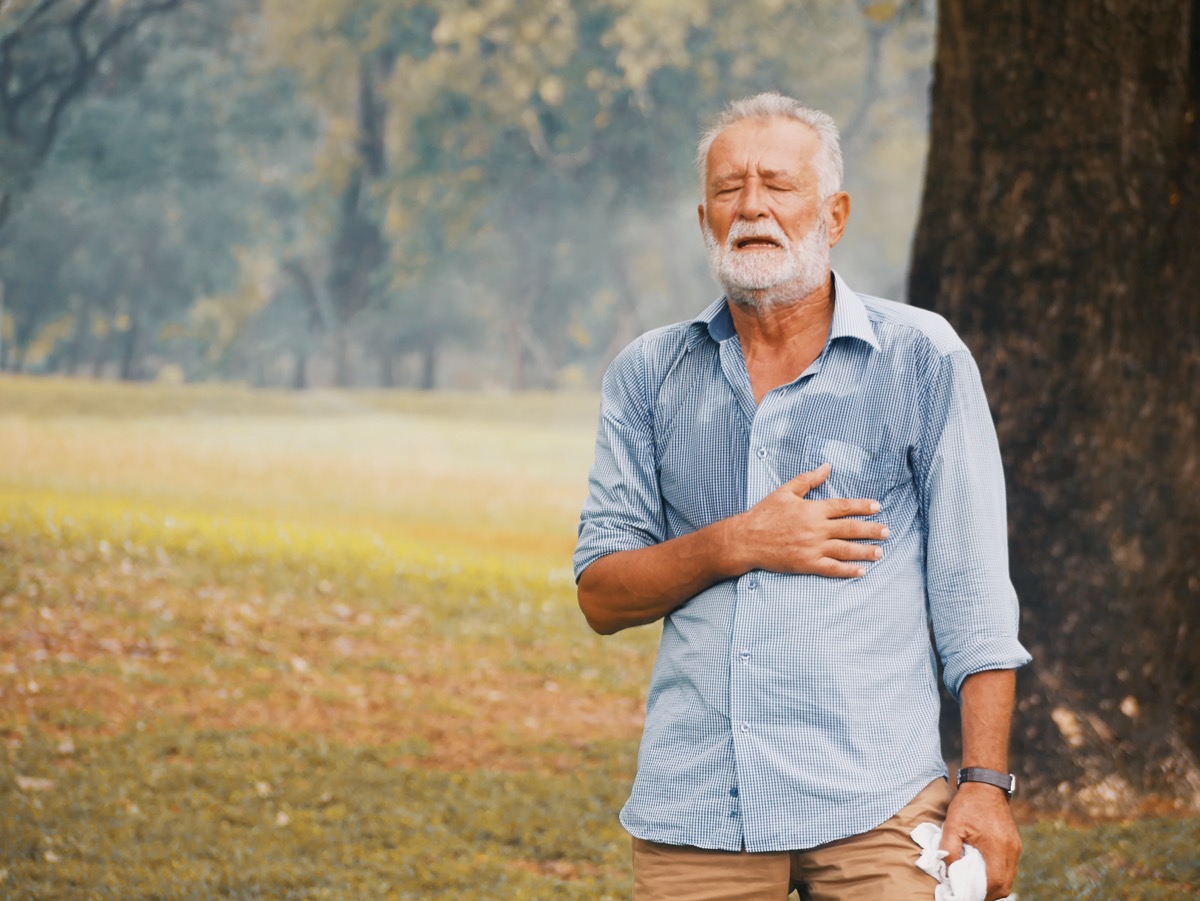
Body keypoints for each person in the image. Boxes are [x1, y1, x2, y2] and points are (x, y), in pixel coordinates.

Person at [573, 92, 1032, 901]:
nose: (752, 205)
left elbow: (974, 596)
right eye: (729, 188)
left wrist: (986, 783)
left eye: (778, 185)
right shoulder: (648, 374)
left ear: (835, 213)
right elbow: (602, 595)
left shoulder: (921, 358)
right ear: (705, 218)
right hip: (699, 809)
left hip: (876, 802)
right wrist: (737, 541)